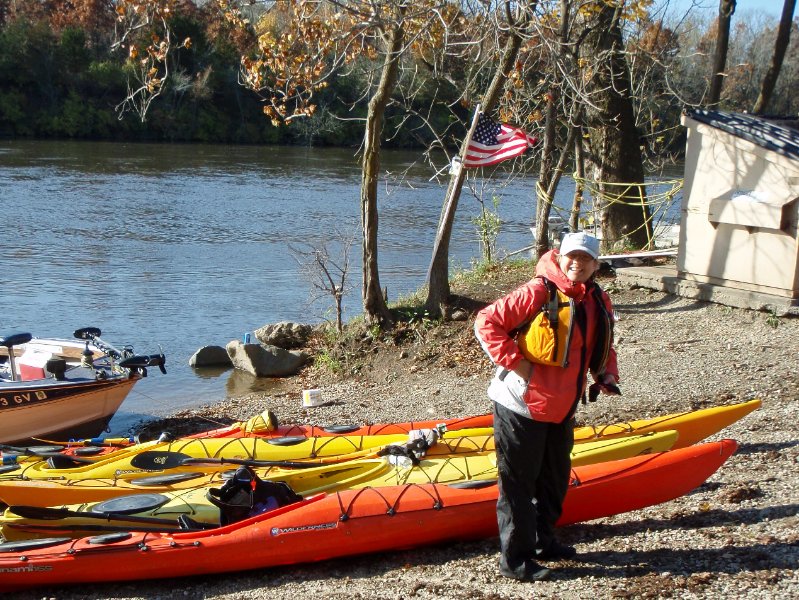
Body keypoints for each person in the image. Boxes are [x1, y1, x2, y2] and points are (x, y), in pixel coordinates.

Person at [474, 231, 620, 582]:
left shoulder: (597, 300)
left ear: (595, 266)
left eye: (585, 259)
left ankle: (543, 542)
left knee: (554, 481)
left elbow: (602, 346)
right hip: (521, 405)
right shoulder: (539, 291)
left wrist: (606, 375)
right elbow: (486, 322)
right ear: (560, 256)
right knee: (518, 486)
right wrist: (518, 364)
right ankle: (516, 561)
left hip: (563, 406)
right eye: (572, 256)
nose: (577, 264)